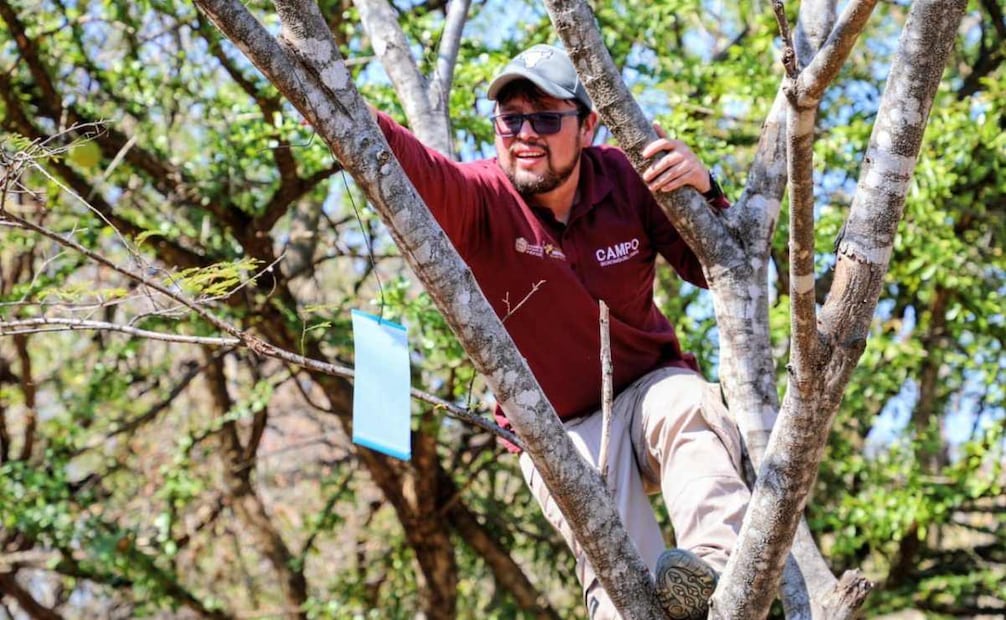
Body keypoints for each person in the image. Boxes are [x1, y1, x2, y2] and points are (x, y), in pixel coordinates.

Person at [372, 44, 750, 620]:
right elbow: (408, 160)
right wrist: (326, 90)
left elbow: (719, 267)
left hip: (648, 394)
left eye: (546, 118)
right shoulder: (479, 196)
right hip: (558, 431)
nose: (525, 133)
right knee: (622, 578)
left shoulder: (627, 177)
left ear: (590, 125)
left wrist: (704, 187)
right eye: (510, 118)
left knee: (687, 402)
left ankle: (715, 575)